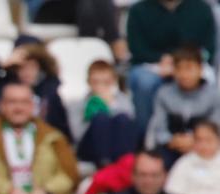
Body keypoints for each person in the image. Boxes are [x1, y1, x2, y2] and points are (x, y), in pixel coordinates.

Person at [126, 0, 216, 136]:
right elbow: (136, 49)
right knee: (145, 82)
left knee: (207, 77)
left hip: (192, 61)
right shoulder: (138, 10)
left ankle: (207, 135)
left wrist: (183, 63)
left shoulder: (201, 8)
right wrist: (163, 60)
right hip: (153, 64)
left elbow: (208, 49)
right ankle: (144, 139)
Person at [0, 37, 72, 142]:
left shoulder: (50, 94)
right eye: (22, 67)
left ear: (41, 68)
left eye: (32, 67)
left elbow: (60, 130)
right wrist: (2, 63)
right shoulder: (0, 87)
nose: (27, 72)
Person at [144, 45, 220, 170]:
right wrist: (172, 140)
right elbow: (158, 127)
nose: (184, 74)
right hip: (170, 147)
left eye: (189, 68)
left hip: (204, 147)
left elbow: (215, 126)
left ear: (200, 69)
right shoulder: (164, 93)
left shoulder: (213, 95)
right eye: (179, 68)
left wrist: (194, 140)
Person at [74, 60, 138, 166]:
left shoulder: (124, 100)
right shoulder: (78, 104)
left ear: (113, 81)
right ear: (88, 82)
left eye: (106, 82)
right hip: (90, 148)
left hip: (118, 146)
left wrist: (111, 104)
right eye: (96, 82)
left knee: (122, 118)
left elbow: (129, 125)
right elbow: (78, 135)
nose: (101, 86)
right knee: (100, 117)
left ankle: (123, 165)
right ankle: (105, 164)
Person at [165, 121, 220, 194]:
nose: (204, 145)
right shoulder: (183, 163)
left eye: (208, 140)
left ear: (218, 140)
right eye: (199, 140)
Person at [107, 149, 188, 194]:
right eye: (143, 175)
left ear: (165, 177)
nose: (148, 181)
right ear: (133, 176)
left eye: (155, 175)